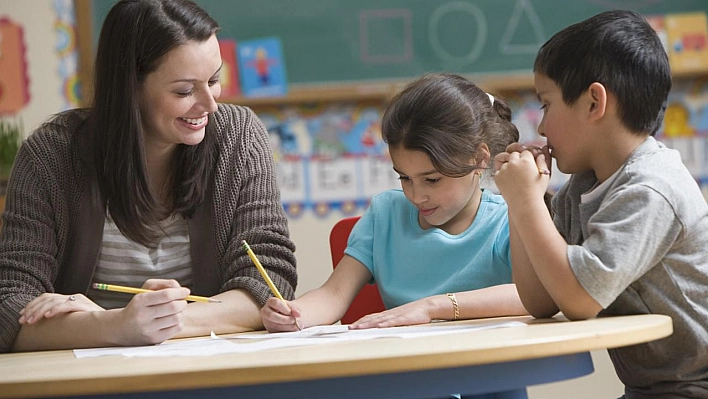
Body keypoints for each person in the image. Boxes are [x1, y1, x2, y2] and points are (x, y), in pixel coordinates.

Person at [0, 0, 297, 353]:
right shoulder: (52, 154)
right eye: (185, 91)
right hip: (86, 378)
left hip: (209, 370)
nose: (210, 104)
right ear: (130, 88)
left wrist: (147, 324)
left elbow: (268, 283)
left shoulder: (240, 137)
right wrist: (115, 326)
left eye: (214, 80)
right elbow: (10, 309)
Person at [493, 10, 708, 398]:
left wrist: (527, 201)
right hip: (652, 388)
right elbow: (541, 299)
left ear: (594, 102)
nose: (540, 128)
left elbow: (579, 299)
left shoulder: (650, 188)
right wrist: (519, 202)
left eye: (546, 104)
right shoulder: (583, 186)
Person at [261, 73, 527, 333]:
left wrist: (433, 307)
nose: (416, 195)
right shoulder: (385, 215)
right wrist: (296, 313)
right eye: (404, 178)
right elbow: (333, 294)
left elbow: (531, 296)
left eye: (432, 180)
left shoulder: (508, 220)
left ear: (479, 159)